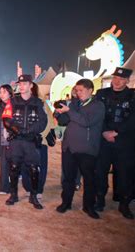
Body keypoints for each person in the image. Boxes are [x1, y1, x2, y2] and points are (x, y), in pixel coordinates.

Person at [54, 79, 105, 219]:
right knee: (68, 178)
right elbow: (64, 121)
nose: (78, 93)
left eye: (81, 90)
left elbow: (86, 122)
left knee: (89, 179)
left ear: (90, 90)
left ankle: (89, 206)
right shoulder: (74, 103)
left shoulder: (98, 106)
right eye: (76, 90)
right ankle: (66, 202)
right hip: (69, 147)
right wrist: (58, 113)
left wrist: (69, 111)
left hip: (87, 149)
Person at [95, 67, 135, 219]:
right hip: (104, 140)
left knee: (125, 174)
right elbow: (97, 115)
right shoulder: (101, 94)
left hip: (124, 142)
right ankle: (99, 200)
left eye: (121, 79)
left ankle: (124, 204)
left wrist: (116, 132)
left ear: (127, 81)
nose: (117, 81)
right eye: (115, 78)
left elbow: (133, 119)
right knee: (100, 172)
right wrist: (105, 132)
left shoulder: (133, 96)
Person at [2, 74, 47, 209]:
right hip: (16, 140)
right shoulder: (13, 101)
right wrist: (17, 130)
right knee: (14, 167)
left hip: (30, 141)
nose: (21, 86)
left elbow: (42, 122)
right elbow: (6, 119)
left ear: (31, 85)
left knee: (34, 169)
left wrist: (27, 131)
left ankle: (33, 196)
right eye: (19, 84)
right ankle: (14, 194)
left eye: (24, 84)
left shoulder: (38, 103)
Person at [21, 82, 56, 199]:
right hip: (25, 140)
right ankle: (28, 187)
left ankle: (38, 189)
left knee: (40, 165)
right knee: (25, 165)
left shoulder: (42, 104)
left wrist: (39, 135)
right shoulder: (23, 103)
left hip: (39, 140)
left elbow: (49, 122)